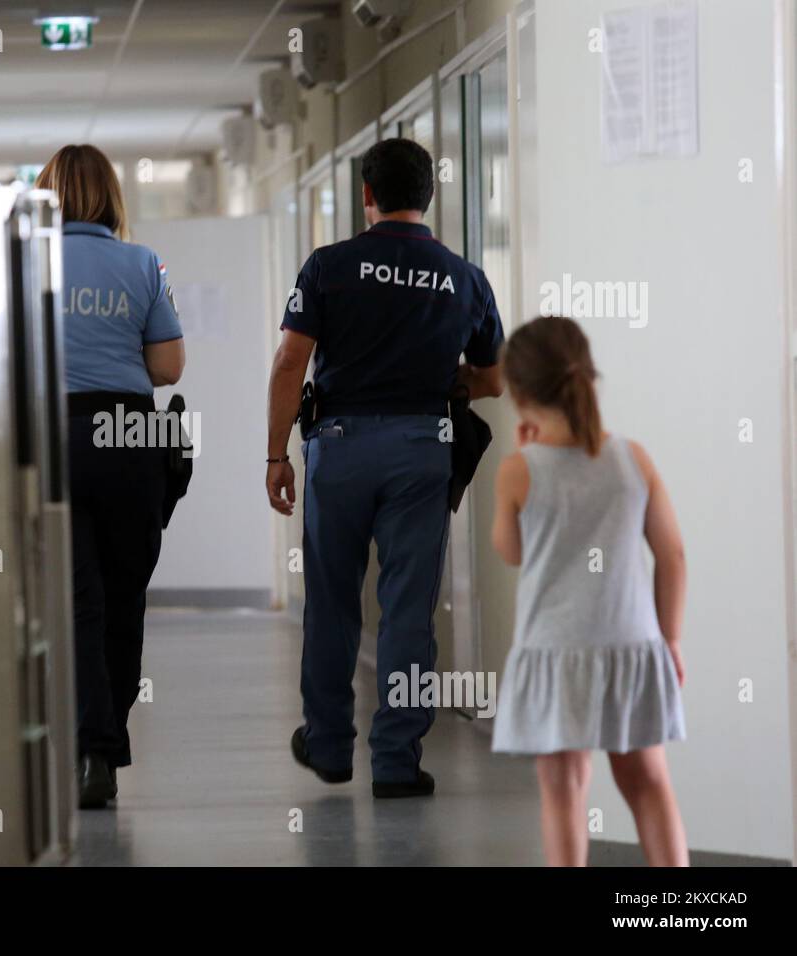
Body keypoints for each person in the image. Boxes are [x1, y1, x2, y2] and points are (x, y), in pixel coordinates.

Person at [265, 137, 504, 797]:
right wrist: (441, 381)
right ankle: (397, 762)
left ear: (367, 196)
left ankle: (330, 745)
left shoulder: (329, 266)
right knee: (407, 611)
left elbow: (290, 362)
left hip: (338, 447)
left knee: (333, 603)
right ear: (427, 196)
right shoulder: (463, 276)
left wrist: (274, 453)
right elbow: (492, 377)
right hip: (423, 452)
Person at [490, 315, 688, 866]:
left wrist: (519, 452)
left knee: (564, 792)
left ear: (521, 394)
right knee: (648, 782)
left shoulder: (518, 470)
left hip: (556, 651)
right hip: (632, 643)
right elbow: (672, 555)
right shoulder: (633, 458)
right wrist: (670, 638)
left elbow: (512, 551)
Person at [35, 144, 185, 810]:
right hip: (130, 436)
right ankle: (107, 739)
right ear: (113, 197)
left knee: (77, 599)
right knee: (126, 596)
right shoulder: (142, 264)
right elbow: (169, 369)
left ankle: (90, 747)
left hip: (53, 436)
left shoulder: (24, 262)